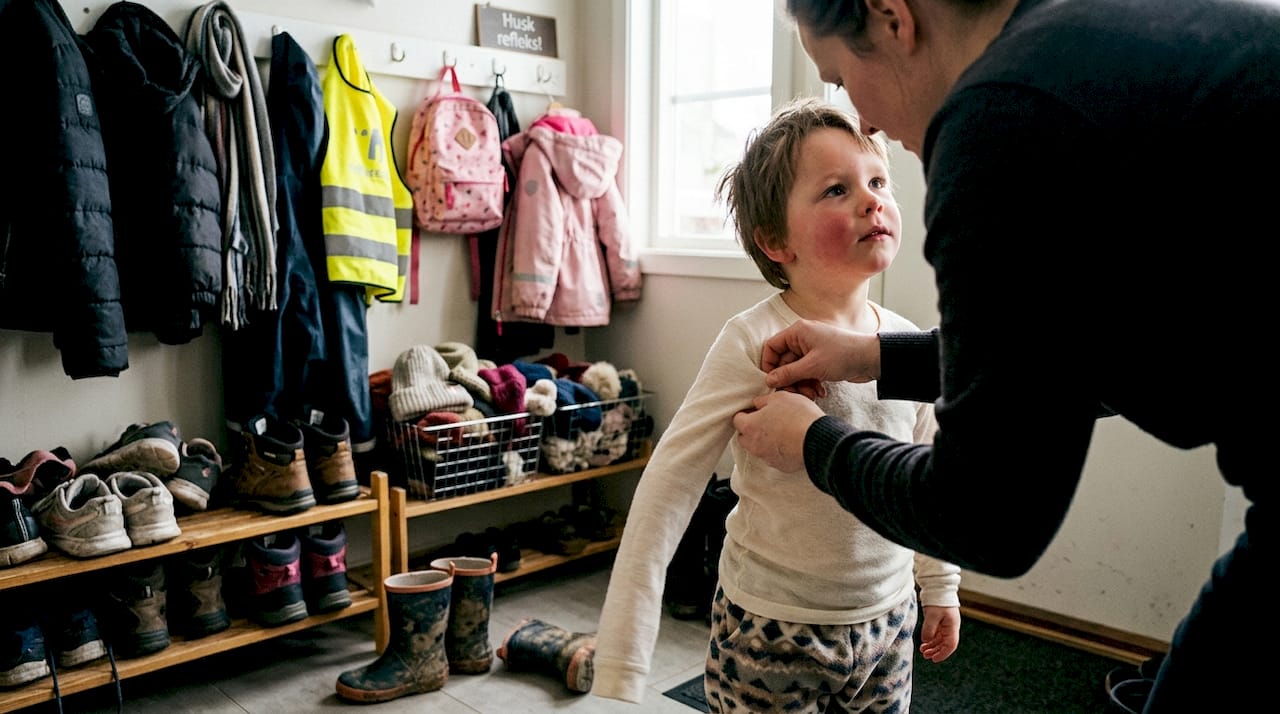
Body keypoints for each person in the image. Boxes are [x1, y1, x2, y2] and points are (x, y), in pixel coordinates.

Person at [731, 1, 1279, 712]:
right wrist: (874, 357)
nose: (860, 121)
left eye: (840, 76)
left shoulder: (1003, 118)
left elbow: (986, 516)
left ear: (891, 16)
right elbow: (1062, 353)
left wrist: (813, 442)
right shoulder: (1089, 44)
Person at [592, 97, 961, 713]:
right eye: (837, 190)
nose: (872, 200)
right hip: (772, 627)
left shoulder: (902, 344)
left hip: (888, 621)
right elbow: (673, 479)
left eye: (876, 181)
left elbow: (930, 468)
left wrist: (940, 586)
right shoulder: (750, 341)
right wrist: (625, 649)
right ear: (774, 240)